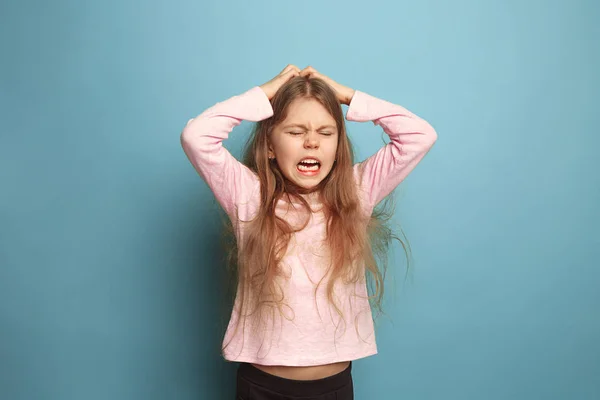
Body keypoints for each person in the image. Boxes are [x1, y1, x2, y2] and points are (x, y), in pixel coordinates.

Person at [180, 65, 437, 399]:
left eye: (325, 132)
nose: (312, 142)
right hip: (263, 387)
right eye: (295, 132)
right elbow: (196, 136)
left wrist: (344, 95)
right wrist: (265, 94)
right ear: (270, 146)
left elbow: (420, 135)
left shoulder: (356, 193)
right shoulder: (249, 196)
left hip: (333, 386)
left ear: (337, 144)